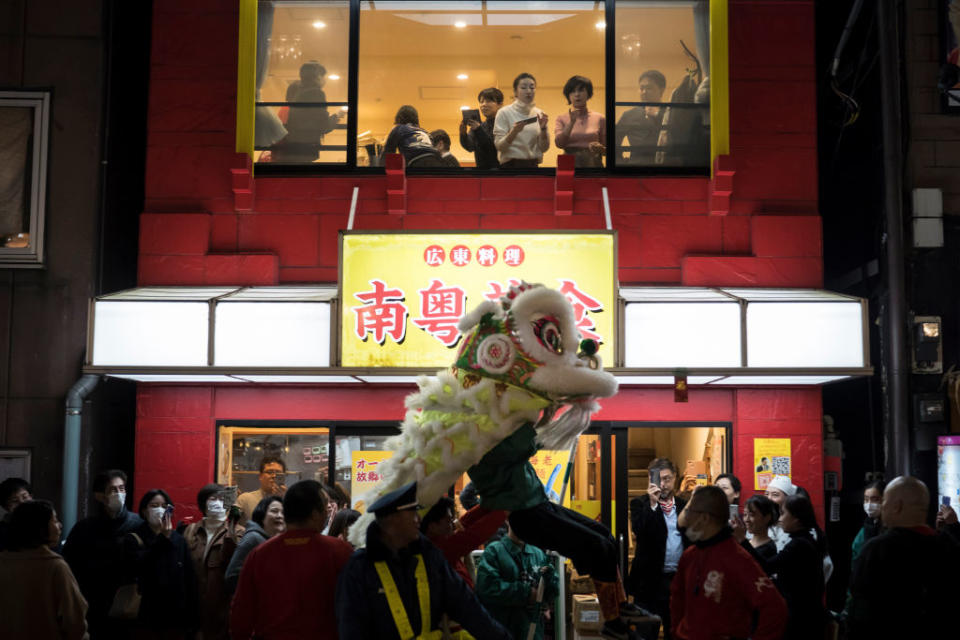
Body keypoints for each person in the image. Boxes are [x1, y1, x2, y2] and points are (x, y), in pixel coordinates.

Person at [469, 424, 646, 640]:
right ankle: (612, 621)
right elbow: (522, 446)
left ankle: (620, 606)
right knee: (598, 548)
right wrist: (544, 421)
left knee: (605, 537)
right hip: (527, 515)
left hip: (540, 504)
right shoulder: (481, 450)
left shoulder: (493, 441)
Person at [336, 481, 512, 640]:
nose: (418, 520)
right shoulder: (360, 567)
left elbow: (467, 608)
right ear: (392, 520)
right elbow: (351, 627)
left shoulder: (430, 557)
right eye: (412, 513)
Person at [231, 480, 353, 639]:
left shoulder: (260, 554)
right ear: (316, 514)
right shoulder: (340, 551)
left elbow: (241, 613)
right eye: (325, 507)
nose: (328, 512)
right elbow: (353, 610)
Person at [847, 476, 960, 639]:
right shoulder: (948, 547)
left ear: (897, 507)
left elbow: (860, 615)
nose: (882, 508)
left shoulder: (876, 550)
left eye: (884, 502)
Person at [670, 486, 787, 640]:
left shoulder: (738, 559)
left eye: (690, 512)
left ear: (704, 518)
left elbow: (775, 609)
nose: (685, 520)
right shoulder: (689, 556)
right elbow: (677, 602)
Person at [63, 469, 144, 638]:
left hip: (127, 605)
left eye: (122, 489)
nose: (119, 494)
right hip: (94, 605)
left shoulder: (138, 524)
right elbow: (70, 566)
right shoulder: (84, 528)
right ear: (99, 496)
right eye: (113, 490)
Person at [736, 495, 826, 640]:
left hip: (801, 617)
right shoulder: (804, 540)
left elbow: (766, 566)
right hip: (806, 613)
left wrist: (742, 541)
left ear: (796, 518)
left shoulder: (799, 545)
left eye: (783, 514)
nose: (780, 519)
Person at [0, 500, 89, 640]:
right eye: (54, 520)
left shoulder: (4, 561)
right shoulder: (55, 567)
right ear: (39, 527)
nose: (60, 525)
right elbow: (74, 620)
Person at [122, 489, 198, 639]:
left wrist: (193, 620)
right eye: (154, 505)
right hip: (146, 614)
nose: (160, 510)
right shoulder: (134, 538)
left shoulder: (178, 539)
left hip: (176, 616)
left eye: (164, 506)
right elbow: (140, 567)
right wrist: (162, 538)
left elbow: (189, 579)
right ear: (144, 510)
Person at [629, 457, 688, 639]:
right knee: (645, 634)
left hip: (676, 581)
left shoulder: (684, 506)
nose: (662, 484)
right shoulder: (640, 504)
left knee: (675, 632)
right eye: (657, 479)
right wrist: (653, 504)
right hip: (648, 583)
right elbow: (639, 530)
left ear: (675, 478)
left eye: (667, 479)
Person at [476, 520, 559, 640]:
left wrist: (551, 583)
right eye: (519, 518)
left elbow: (551, 593)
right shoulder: (494, 552)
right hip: (503, 628)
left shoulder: (538, 554)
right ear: (508, 520)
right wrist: (527, 593)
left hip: (533, 630)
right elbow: (487, 588)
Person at [182, 483, 243, 640]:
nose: (217, 502)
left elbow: (233, 565)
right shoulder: (191, 530)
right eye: (213, 498)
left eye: (222, 499)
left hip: (222, 610)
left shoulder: (238, 532)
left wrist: (231, 527)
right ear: (204, 503)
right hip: (193, 609)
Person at [421, 495, 506, 588]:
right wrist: (504, 510)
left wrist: (491, 504)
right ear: (432, 527)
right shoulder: (437, 549)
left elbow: (465, 522)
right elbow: (474, 535)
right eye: (448, 521)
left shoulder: (438, 542)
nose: (453, 525)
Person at [765, 475, 834, 581]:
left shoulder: (802, 539)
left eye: (775, 495)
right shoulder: (767, 525)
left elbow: (826, 566)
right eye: (766, 494)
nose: (768, 499)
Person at [272, 60, 341, 163]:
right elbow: (323, 126)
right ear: (318, 77)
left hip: (292, 149)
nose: (324, 80)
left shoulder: (299, 94)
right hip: (304, 151)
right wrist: (337, 116)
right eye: (323, 76)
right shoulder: (316, 93)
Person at [225, 495, 285, 595]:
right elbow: (232, 577)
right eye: (274, 511)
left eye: (283, 513)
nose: (279, 516)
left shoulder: (276, 541)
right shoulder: (253, 539)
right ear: (262, 515)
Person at [493, 73, 550, 168]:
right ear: (515, 92)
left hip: (533, 166)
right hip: (510, 167)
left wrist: (544, 129)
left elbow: (544, 148)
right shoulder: (504, 112)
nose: (528, 91)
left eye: (532, 88)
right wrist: (514, 132)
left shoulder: (540, 113)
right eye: (523, 88)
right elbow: (500, 147)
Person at [615, 70, 666, 165]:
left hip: (665, 168)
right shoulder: (629, 115)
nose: (644, 92)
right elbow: (614, 142)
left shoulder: (669, 113)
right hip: (635, 168)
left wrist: (658, 115)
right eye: (641, 88)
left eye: (649, 88)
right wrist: (621, 165)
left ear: (661, 89)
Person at [553, 75, 606, 167]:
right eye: (573, 91)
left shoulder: (600, 118)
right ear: (568, 96)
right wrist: (571, 123)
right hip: (568, 165)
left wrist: (601, 149)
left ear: (588, 94)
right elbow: (559, 144)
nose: (577, 94)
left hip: (593, 164)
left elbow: (608, 150)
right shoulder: (561, 118)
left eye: (581, 90)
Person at [380, 105, 445, 167]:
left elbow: (388, 153)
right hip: (436, 161)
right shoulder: (425, 132)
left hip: (417, 162)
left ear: (399, 118)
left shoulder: (399, 128)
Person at [459, 87, 503, 169]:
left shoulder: (504, 124)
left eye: (488, 101)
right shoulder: (479, 126)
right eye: (481, 102)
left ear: (500, 105)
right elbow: (470, 147)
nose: (483, 105)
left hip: (500, 174)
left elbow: (494, 150)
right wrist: (463, 134)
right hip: (481, 174)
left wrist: (479, 130)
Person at [236, 455, 287, 523]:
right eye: (269, 472)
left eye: (278, 473)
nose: (274, 476)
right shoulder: (245, 499)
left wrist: (283, 500)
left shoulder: (290, 503)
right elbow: (230, 526)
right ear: (260, 476)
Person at [741, 495, 779, 563]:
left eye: (752, 515)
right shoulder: (747, 542)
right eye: (745, 514)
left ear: (767, 518)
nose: (746, 520)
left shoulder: (769, 548)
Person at [0, 476, 32, 550]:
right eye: (15, 501)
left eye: (25, 497)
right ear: (6, 507)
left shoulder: (44, 522)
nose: (22, 503)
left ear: (31, 497)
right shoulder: (2, 531)